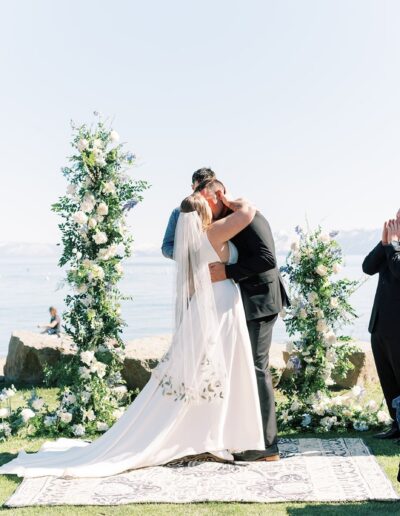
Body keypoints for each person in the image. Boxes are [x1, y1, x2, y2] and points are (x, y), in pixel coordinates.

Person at [0, 192, 266, 478]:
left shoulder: (189, 245)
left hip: (206, 306)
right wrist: (228, 199)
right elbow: (248, 212)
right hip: (221, 306)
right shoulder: (212, 232)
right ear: (203, 214)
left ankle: (210, 435)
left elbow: (190, 286)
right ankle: (211, 436)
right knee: (218, 370)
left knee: (206, 373)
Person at [197, 178, 289, 462]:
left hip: (262, 302)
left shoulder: (249, 217)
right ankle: (248, 435)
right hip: (250, 301)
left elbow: (267, 260)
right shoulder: (235, 217)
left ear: (219, 195)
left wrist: (228, 272)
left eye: (205, 199)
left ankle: (267, 446)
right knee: (247, 369)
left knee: (257, 370)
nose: (204, 206)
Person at [362, 214, 400, 440]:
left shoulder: (395, 249)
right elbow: (368, 267)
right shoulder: (392, 247)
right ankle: (397, 424)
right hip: (380, 326)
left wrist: (393, 245)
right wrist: (385, 242)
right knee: (389, 382)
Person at [161, 167, 215, 258]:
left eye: (207, 187)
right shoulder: (177, 212)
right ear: (193, 187)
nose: (204, 191)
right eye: (200, 187)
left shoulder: (222, 211)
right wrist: (185, 258)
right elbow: (166, 246)